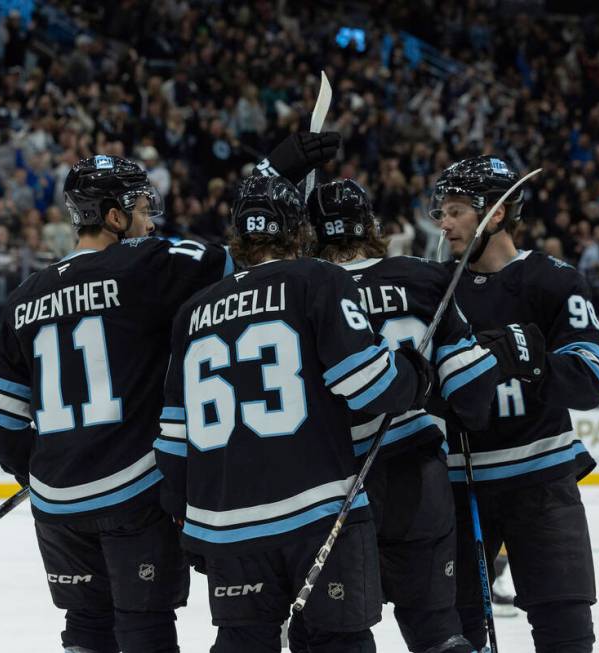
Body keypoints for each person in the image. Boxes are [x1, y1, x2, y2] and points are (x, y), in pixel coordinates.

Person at [155, 174, 434, 653]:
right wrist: (414, 374)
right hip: (317, 509)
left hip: (225, 523)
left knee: (242, 642)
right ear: (298, 229)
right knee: (338, 642)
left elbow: (174, 441)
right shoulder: (319, 279)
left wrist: (191, 523)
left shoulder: (193, 311)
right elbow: (368, 386)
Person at [0, 154, 232, 653]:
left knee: (86, 626)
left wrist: (39, 470)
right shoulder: (146, 265)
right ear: (113, 216)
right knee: (143, 625)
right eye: (139, 208)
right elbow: (234, 262)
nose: (150, 221)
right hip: (134, 494)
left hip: (58, 507)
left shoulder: (27, 296)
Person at [301, 178, 498, 653]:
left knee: (333, 636)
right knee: (438, 633)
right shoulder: (423, 277)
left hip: (334, 486)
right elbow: (473, 396)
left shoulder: (301, 289)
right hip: (419, 477)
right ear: (370, 225)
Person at [431, 156, 599, 653]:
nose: (444, 223)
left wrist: (535, 363)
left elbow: (590, 381)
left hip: (543, 484)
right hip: (459, 492)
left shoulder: (554, 280)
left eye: (457, 210)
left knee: (567, 634)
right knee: (457, 638)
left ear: (498, 213)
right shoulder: (434, 288)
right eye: (442, 211)